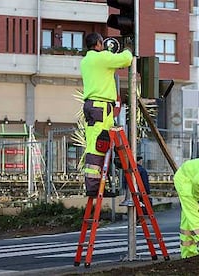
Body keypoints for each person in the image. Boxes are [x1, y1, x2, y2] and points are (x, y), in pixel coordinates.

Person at [81, 32, 133, 197]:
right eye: (102, 43)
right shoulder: (102, 58)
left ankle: (93, 185)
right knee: (99, 145)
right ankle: (94, 187)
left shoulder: (85, 61)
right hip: (101, 106)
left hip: (91, 105)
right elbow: (126, 59)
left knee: (92, 144)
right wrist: (128, 48)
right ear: (97, 43)